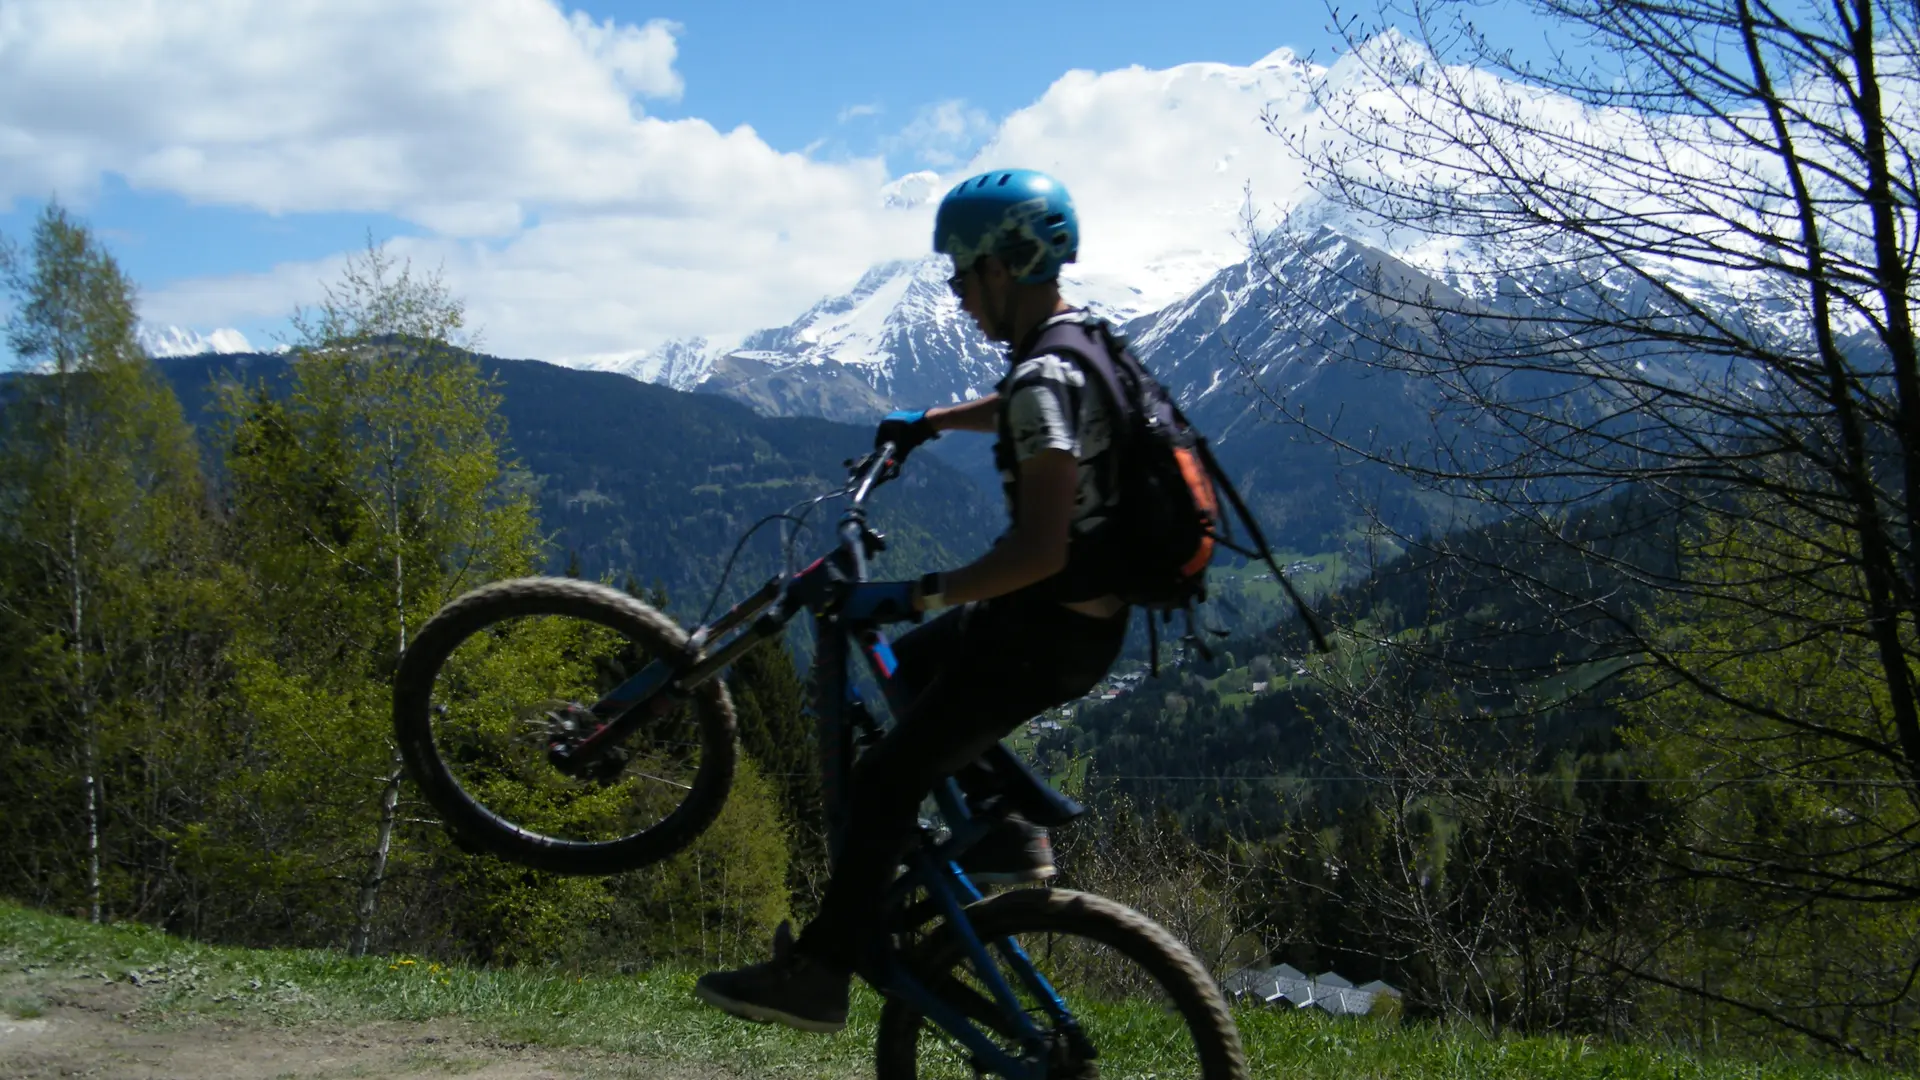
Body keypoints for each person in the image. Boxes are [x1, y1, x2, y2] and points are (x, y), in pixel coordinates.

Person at [694, 168, 1130, 1033]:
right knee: (914, 671)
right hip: (1080, 625)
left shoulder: (1044, 376)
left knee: (885, 777)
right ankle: (1007, 826)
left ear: (1004, 268)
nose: (959, 295)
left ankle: (819, 973)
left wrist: (920, 592)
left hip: (1044, 631)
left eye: (963, 273)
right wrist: (929, 421)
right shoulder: (1083, 342)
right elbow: (1024, 408)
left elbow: (1039, 550)